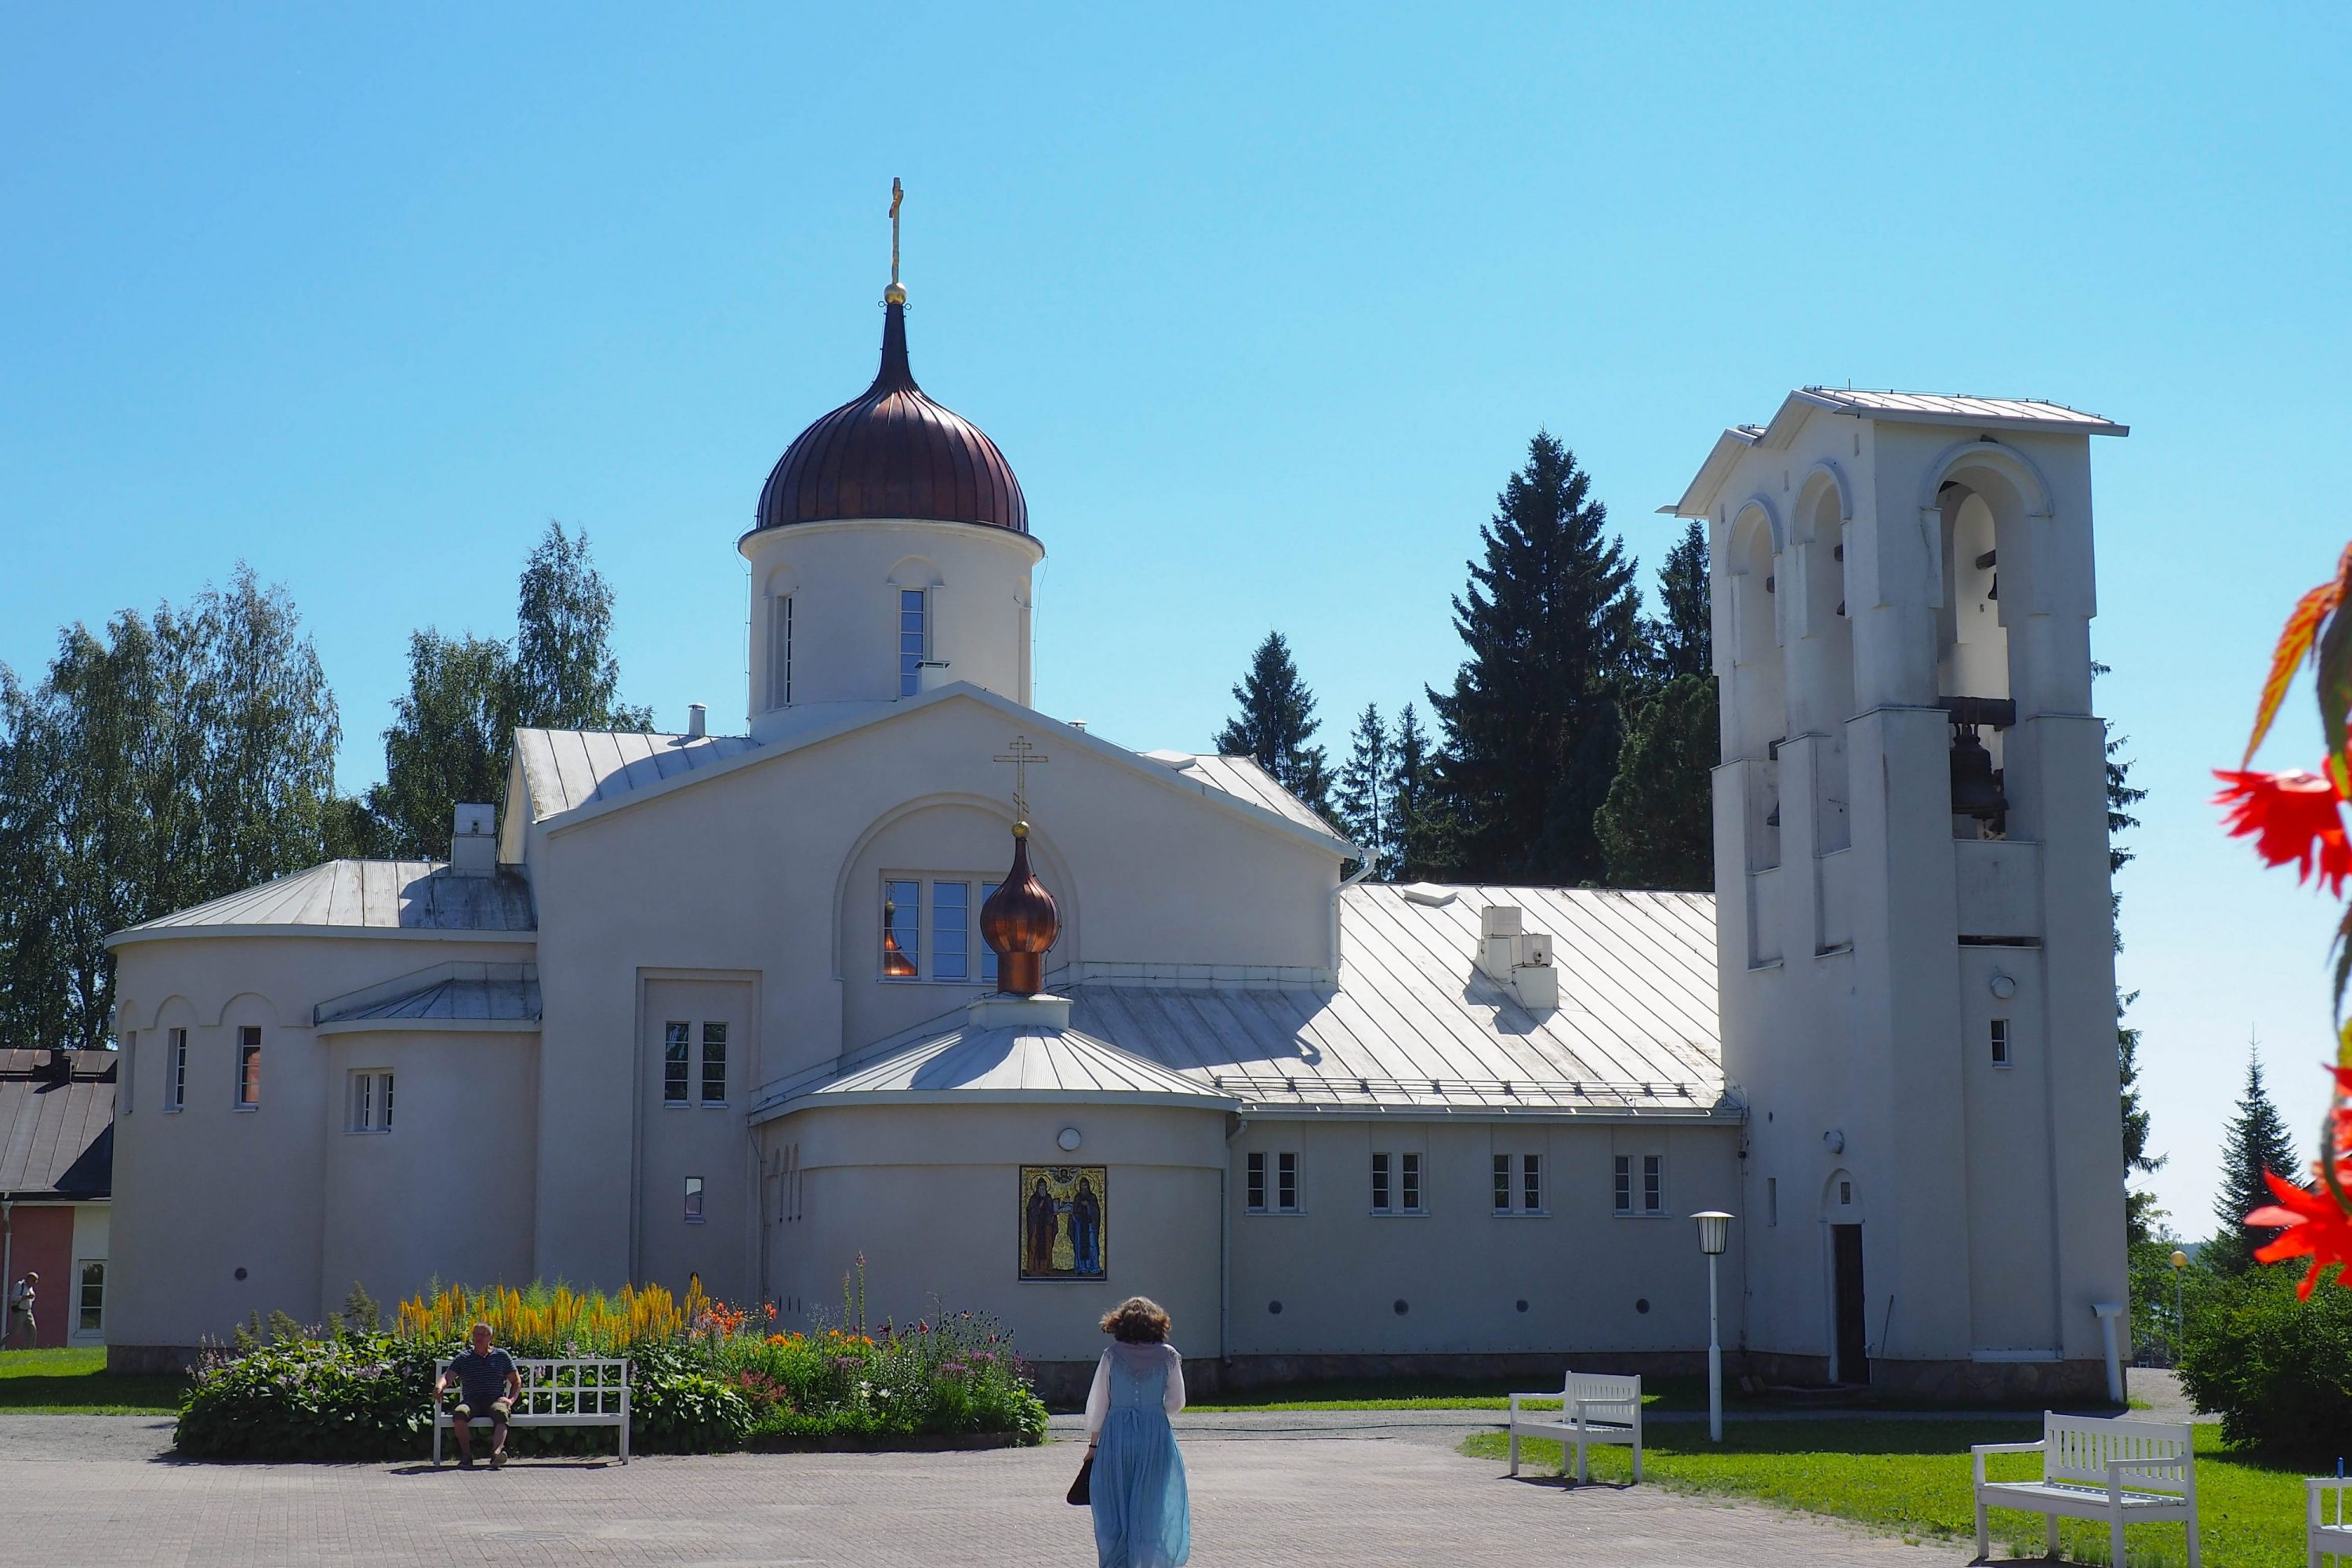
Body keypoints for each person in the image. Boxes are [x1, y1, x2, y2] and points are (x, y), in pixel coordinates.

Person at [1083, 1296, 1189, 1568]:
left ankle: (1119, 1562)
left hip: (1117, 1436)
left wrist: (1093, 1447)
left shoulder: (1112, 1355)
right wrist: (1154, 1410)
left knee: (1115, 1506)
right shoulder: (1169, 1356)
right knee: (1151, 1505)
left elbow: (1099, 1405)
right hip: (1155, 1436)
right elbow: (1177, 1402)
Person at [434, 1321, 521, 1468]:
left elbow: (516, 1381)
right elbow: (447, 1377)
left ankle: (496, 1454)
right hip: (471, 1400)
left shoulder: (501, 1356)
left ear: (491, 1337)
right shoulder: (464, 1358)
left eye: (483, 1335)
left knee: (501, 1412)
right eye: (476, 1334)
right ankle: (467, 1456)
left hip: (495, 1399)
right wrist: (439, 1386)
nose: (479, 1338)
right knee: (460, 1414)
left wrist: (511, 1400)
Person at [5, 1272, 34, 1348]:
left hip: (28, 1312)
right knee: (14, 1332)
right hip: (20, 1311)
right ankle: (1, 1344)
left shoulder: (30, 1288)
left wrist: (32, 1297)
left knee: (32, 1331)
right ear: (28, 1279)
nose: (34, 1283)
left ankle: (30, 1349)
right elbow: (14, 1297)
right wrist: (26, 1297)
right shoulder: (20, 1285)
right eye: (33, 1281)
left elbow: (31, 1299)